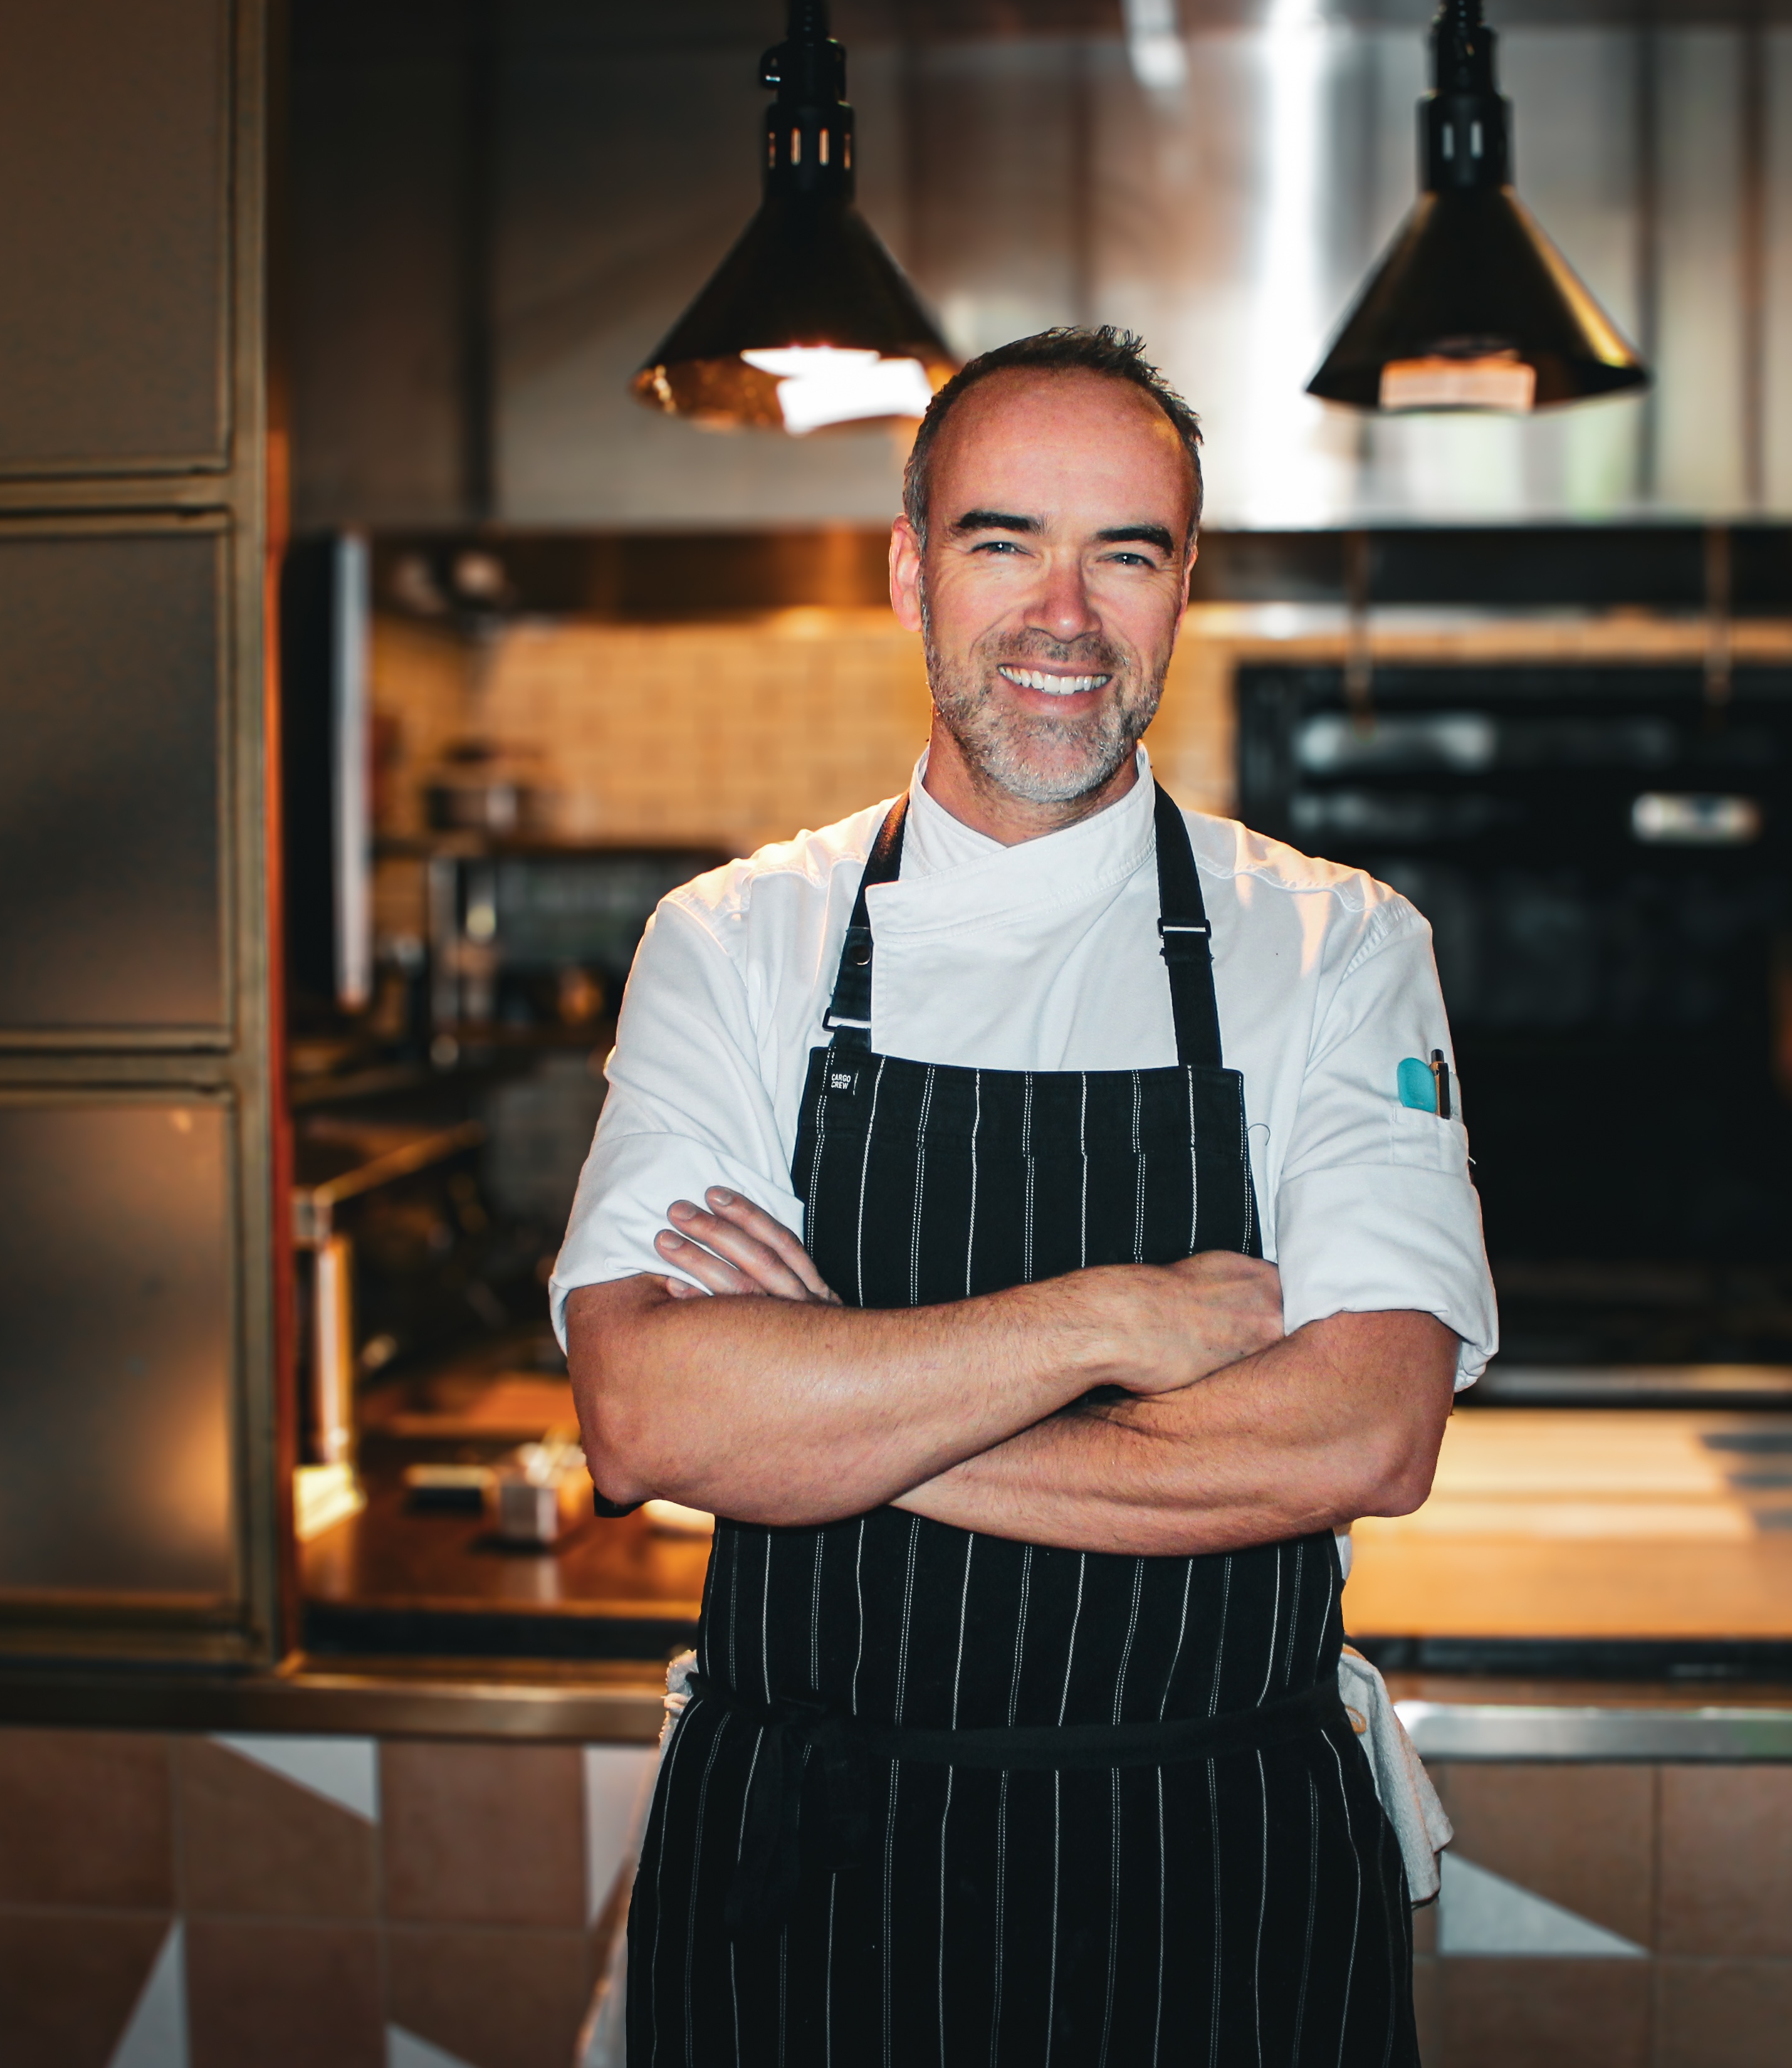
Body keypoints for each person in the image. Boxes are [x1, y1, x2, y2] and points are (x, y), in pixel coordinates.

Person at [555, 325, 1492, 2067]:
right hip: (807, 1879)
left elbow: (1363, 1439)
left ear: (1182, 589)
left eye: (1124, 553)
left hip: (1216, 1874)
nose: (1065, 617)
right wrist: (1114, 1322)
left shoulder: (1336, 948)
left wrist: (839, 1395)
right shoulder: (740, 941)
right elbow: (648, 1416)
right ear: (912, 571)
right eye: (1006, 543)